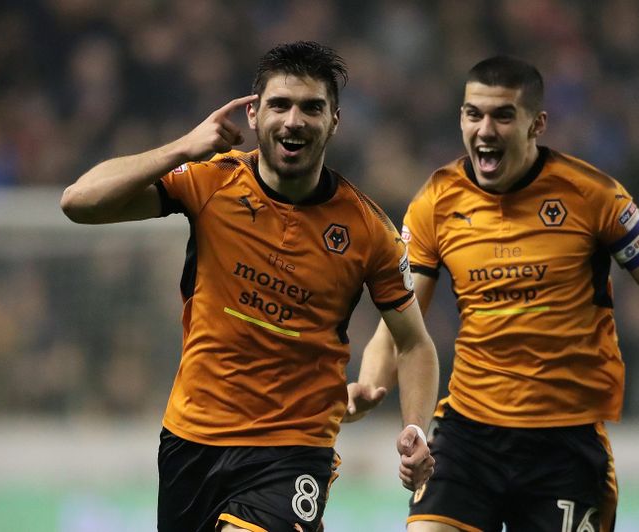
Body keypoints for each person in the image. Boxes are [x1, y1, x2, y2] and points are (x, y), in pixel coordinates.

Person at [347, 56, 639, 532]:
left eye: (503, 116)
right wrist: (369, 384)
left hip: (564, 449)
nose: (485, 129)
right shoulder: (437, 202)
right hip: (468, 435)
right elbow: (400, 324)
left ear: (537, 123)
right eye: (473, 114)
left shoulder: (593, 196)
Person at [60, 41, 438, 532]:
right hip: (191, 439)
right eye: (280, 105)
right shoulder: (211, 182)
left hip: (293, 447)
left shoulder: (368, 231)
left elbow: (413, 342)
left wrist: (414, 428)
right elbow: (78, 203)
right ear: (254, 114)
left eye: (312, 107)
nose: (294, 120)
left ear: (335, 121)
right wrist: (180, 148)